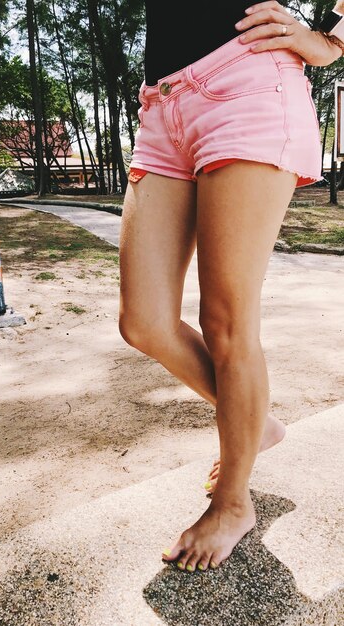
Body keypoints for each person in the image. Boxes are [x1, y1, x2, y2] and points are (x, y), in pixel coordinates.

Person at [118, 0, 342, 572]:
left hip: (247, 82)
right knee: (144, 322)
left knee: (226, 322)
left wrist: (332, 41)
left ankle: (233, 504)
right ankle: (255, 422)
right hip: (162, 105)